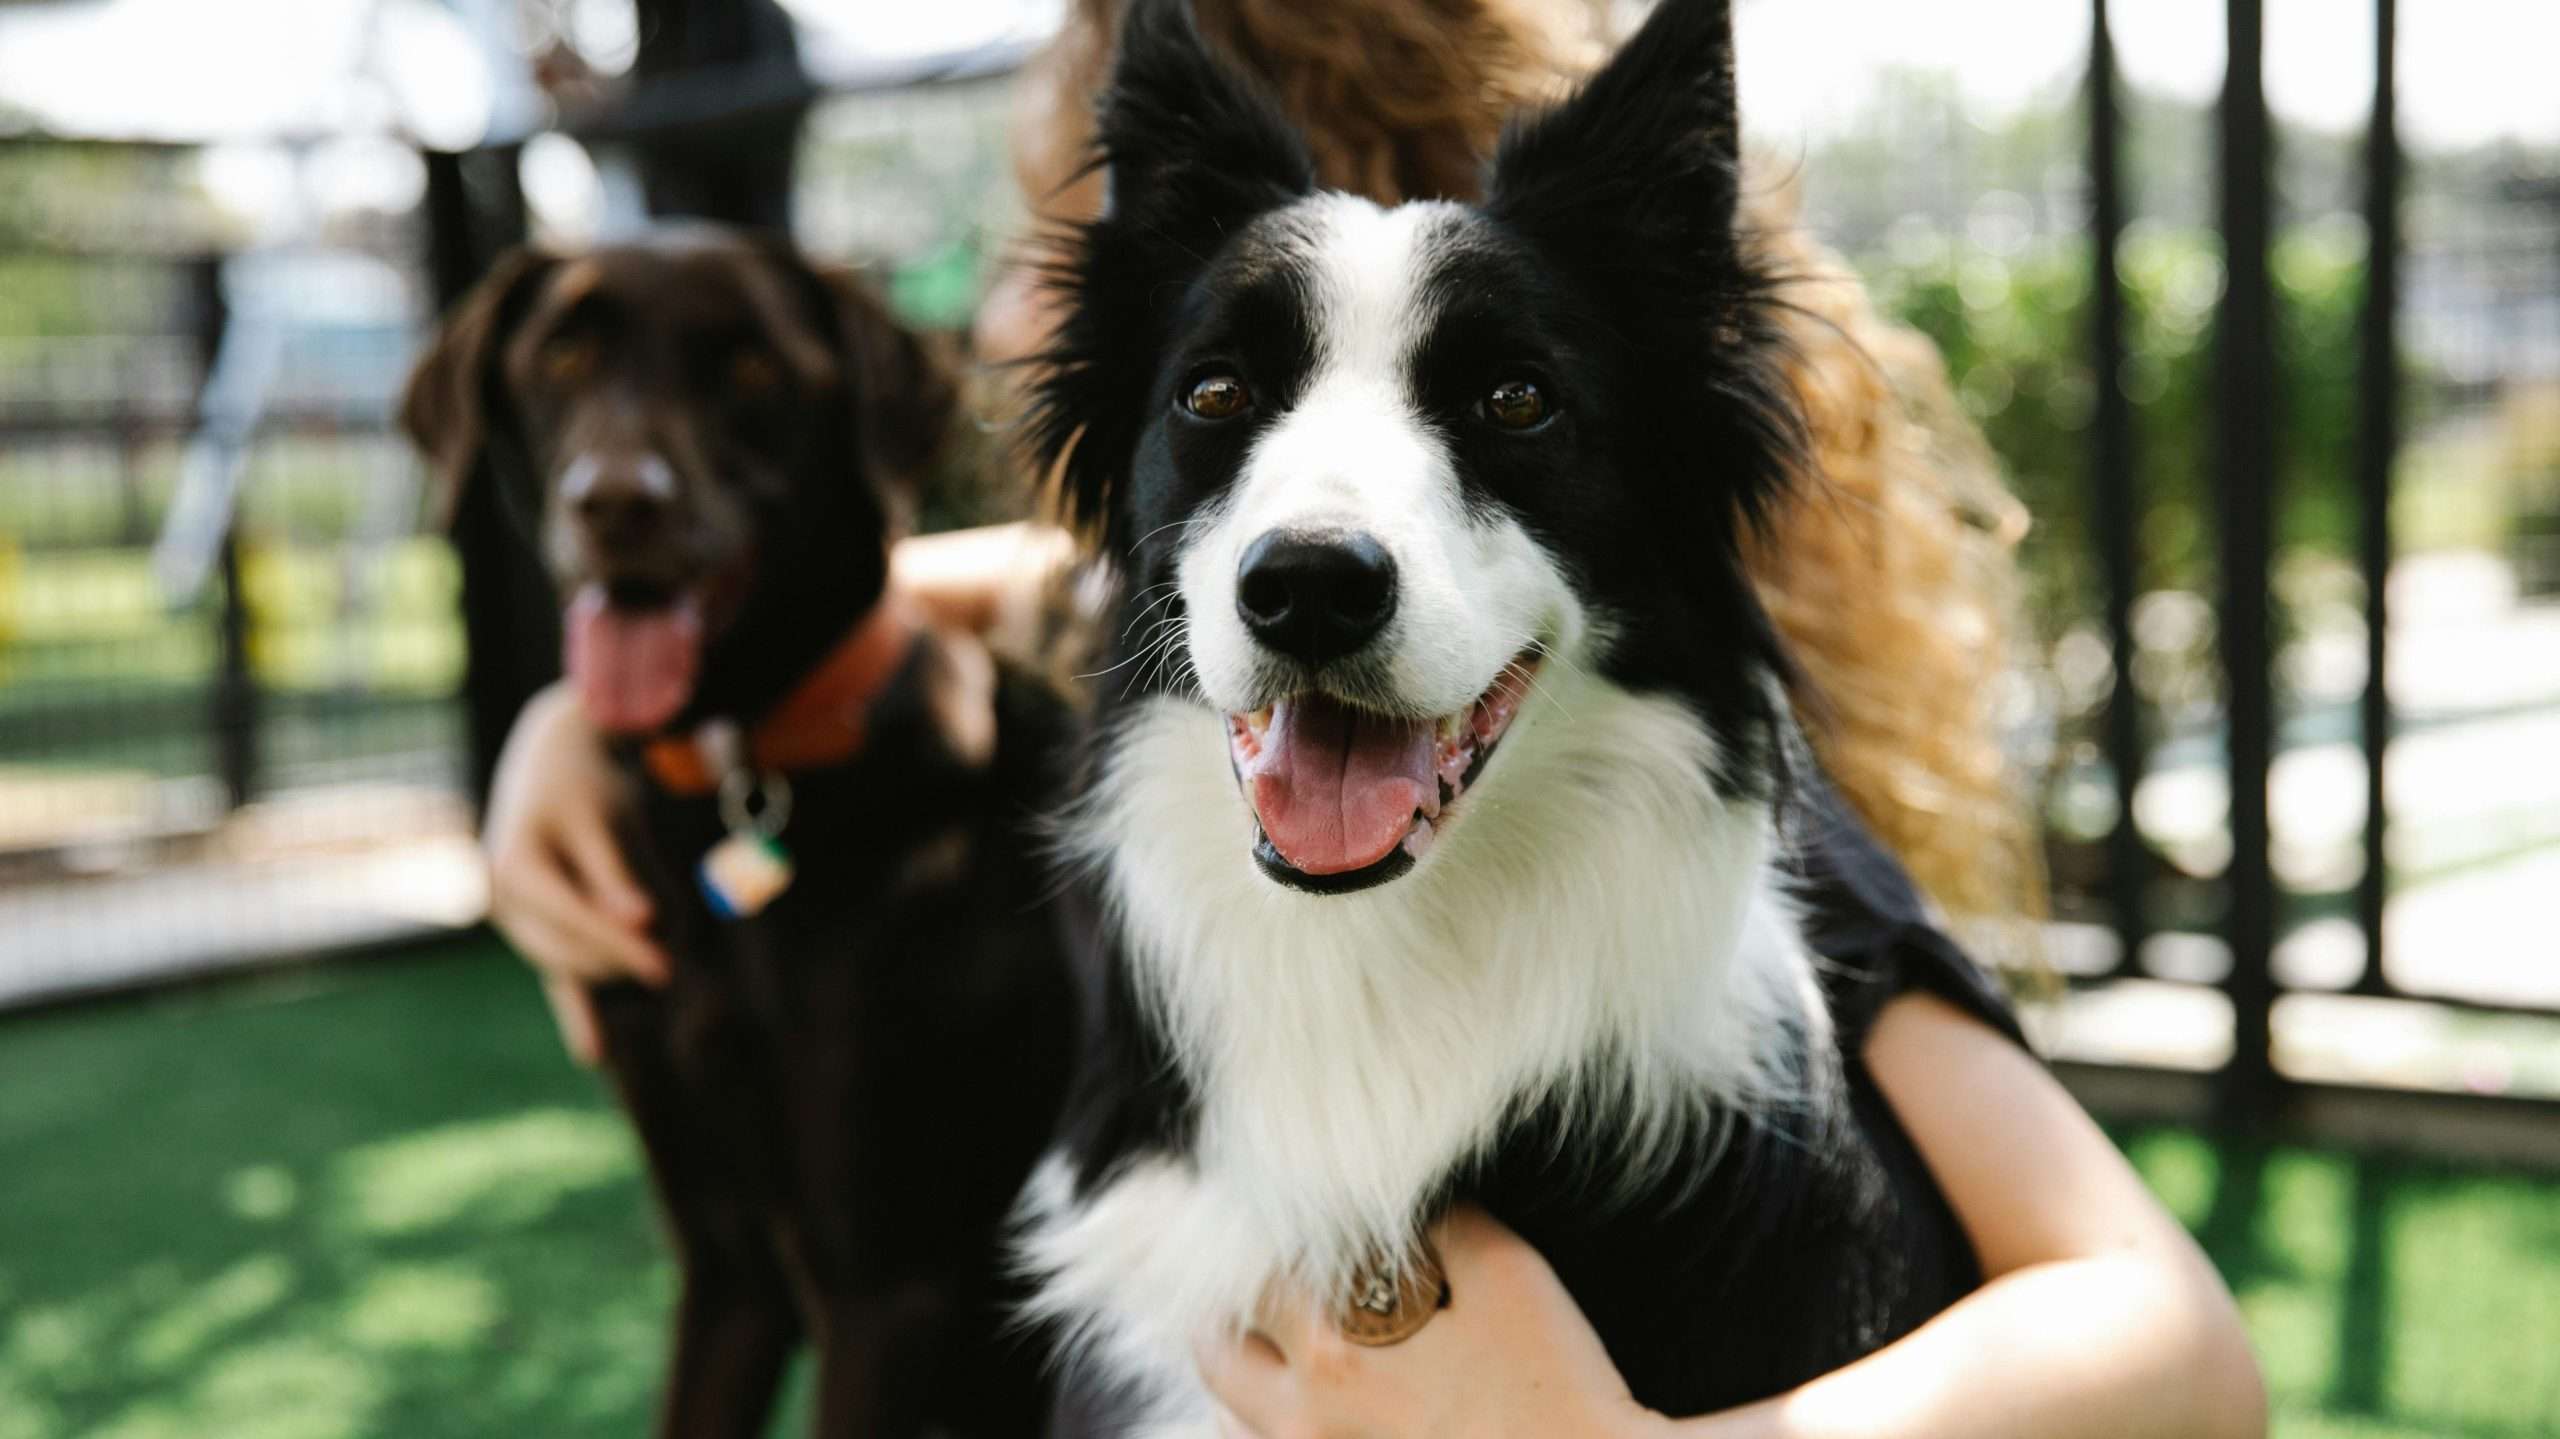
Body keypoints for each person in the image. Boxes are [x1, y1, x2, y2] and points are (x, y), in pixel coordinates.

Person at [474, 1, 2265, 1434]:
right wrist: (590, 718)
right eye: (1221, 391)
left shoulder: (1776, 859)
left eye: (1499, 400)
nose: (1019, 303)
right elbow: (979, 592)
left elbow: (2175, 1344)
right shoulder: (1161, 604)